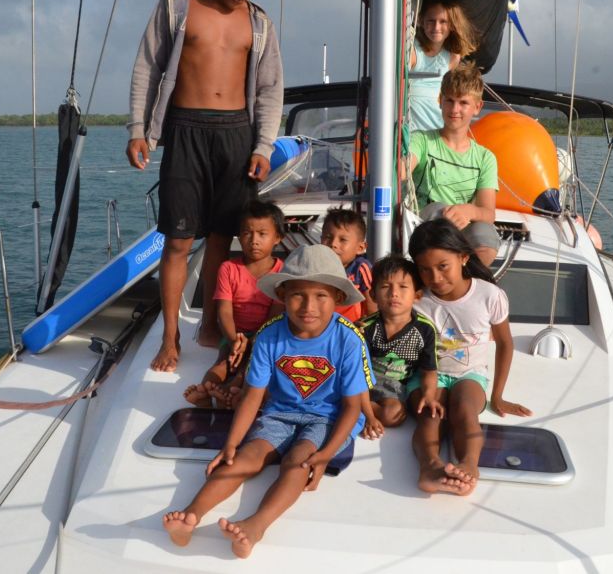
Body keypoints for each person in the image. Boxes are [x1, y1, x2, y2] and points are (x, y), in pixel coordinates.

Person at [126, 0, 283, 371]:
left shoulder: (259, 22)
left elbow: (270, 88)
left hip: (236, 133)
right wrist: (138, 130)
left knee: (220, 237)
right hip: (185, 129)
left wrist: (263, 146)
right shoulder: (177, 6)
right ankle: (170, 336)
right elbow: (147, 69)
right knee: (177, 239)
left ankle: (212, 325)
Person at [162, 244, 374, 559]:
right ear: (283, 296)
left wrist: (325, 455)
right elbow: (253, 395)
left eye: (321, 296)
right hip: (280, 413)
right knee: (244, 457)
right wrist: (231, 444)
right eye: (298, 295)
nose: (309, 306)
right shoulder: (269, 335)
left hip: (328, 418)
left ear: (338, 298)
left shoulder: (348, 339)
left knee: (299, 461)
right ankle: (190, 516)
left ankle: (256, 526)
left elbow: (353, 406)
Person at [407, 218, 531, 497]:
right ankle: (429, 467)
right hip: (428, 374)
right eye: (425, 270)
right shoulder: (416, 298)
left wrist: (497, 396)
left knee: (464, 409)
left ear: (463, 258)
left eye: (443, 266)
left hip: (470, 373)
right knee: (431, 415)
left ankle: (469, 465)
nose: (435, 278)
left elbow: (505, 343)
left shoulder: (489, 295)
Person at [184, 200, 286, 407]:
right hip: (234, 334)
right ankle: (206, 392)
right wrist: (233, 341)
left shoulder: (282, 273)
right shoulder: (228, 269)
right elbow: (224, 312)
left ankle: (235, 389)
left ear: (277, 238)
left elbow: (275, 316)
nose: (254, 240)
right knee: (224, 362)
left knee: (254, 363)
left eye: (262, 234)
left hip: (266, 335)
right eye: (247, 233)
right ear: (239, 236)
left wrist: (254, 342)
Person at [406, 63, 501, 266]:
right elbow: (403, 171)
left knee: (485, 232)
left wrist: (468, 211)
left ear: (477, 107)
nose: (455, 109)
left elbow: (488, 212)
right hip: (425, 224)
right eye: (449, 100)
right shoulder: (421, 141)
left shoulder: (485, 158)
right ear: (440, 101)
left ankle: (468, 277)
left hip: (462, 227)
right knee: (438, 209)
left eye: (463, 102)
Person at [357, 255, 441, 440]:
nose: (394, 293)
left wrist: (429, 396)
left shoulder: (425, 330)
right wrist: (370, 417)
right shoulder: (365, 328)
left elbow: (429, 371)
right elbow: (356, 373)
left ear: (417, 295)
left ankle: (354, 409)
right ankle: (358, 408)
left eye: (403, 287)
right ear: (373, 295)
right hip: (362, 382)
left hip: (394, 387)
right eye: (385, 287)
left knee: (393, 415)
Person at [408, 0, 478, 133]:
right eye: (431, 21)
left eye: (443, 21)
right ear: (421, 21)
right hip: (412, 128)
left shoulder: (453, 57)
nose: (436, 27)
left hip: (438, 124)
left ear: (452, 24)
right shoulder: (412, 51)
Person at [319, 207, 377, 323]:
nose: (333, 244)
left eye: (343, 240)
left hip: (353, 327)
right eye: (328, 237)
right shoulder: (315, 266)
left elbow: (371, 305)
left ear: (360, 248)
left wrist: (369, 326)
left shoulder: (360, 269)